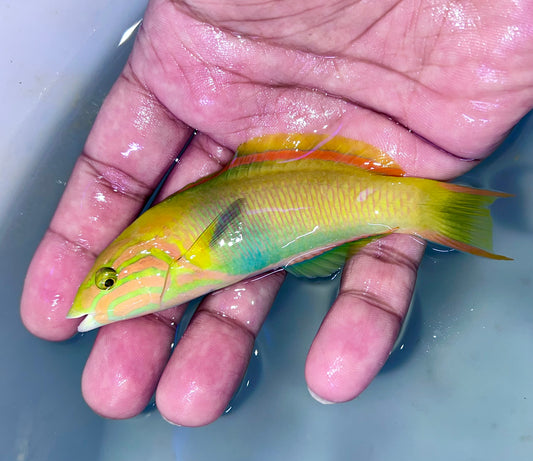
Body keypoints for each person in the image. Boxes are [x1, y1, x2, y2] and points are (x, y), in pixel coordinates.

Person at [20, 0, 533, 426]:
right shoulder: (175, 264)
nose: (99, 295)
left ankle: (435, 207)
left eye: (108, 281)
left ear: (147, 261)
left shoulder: (179, 261)